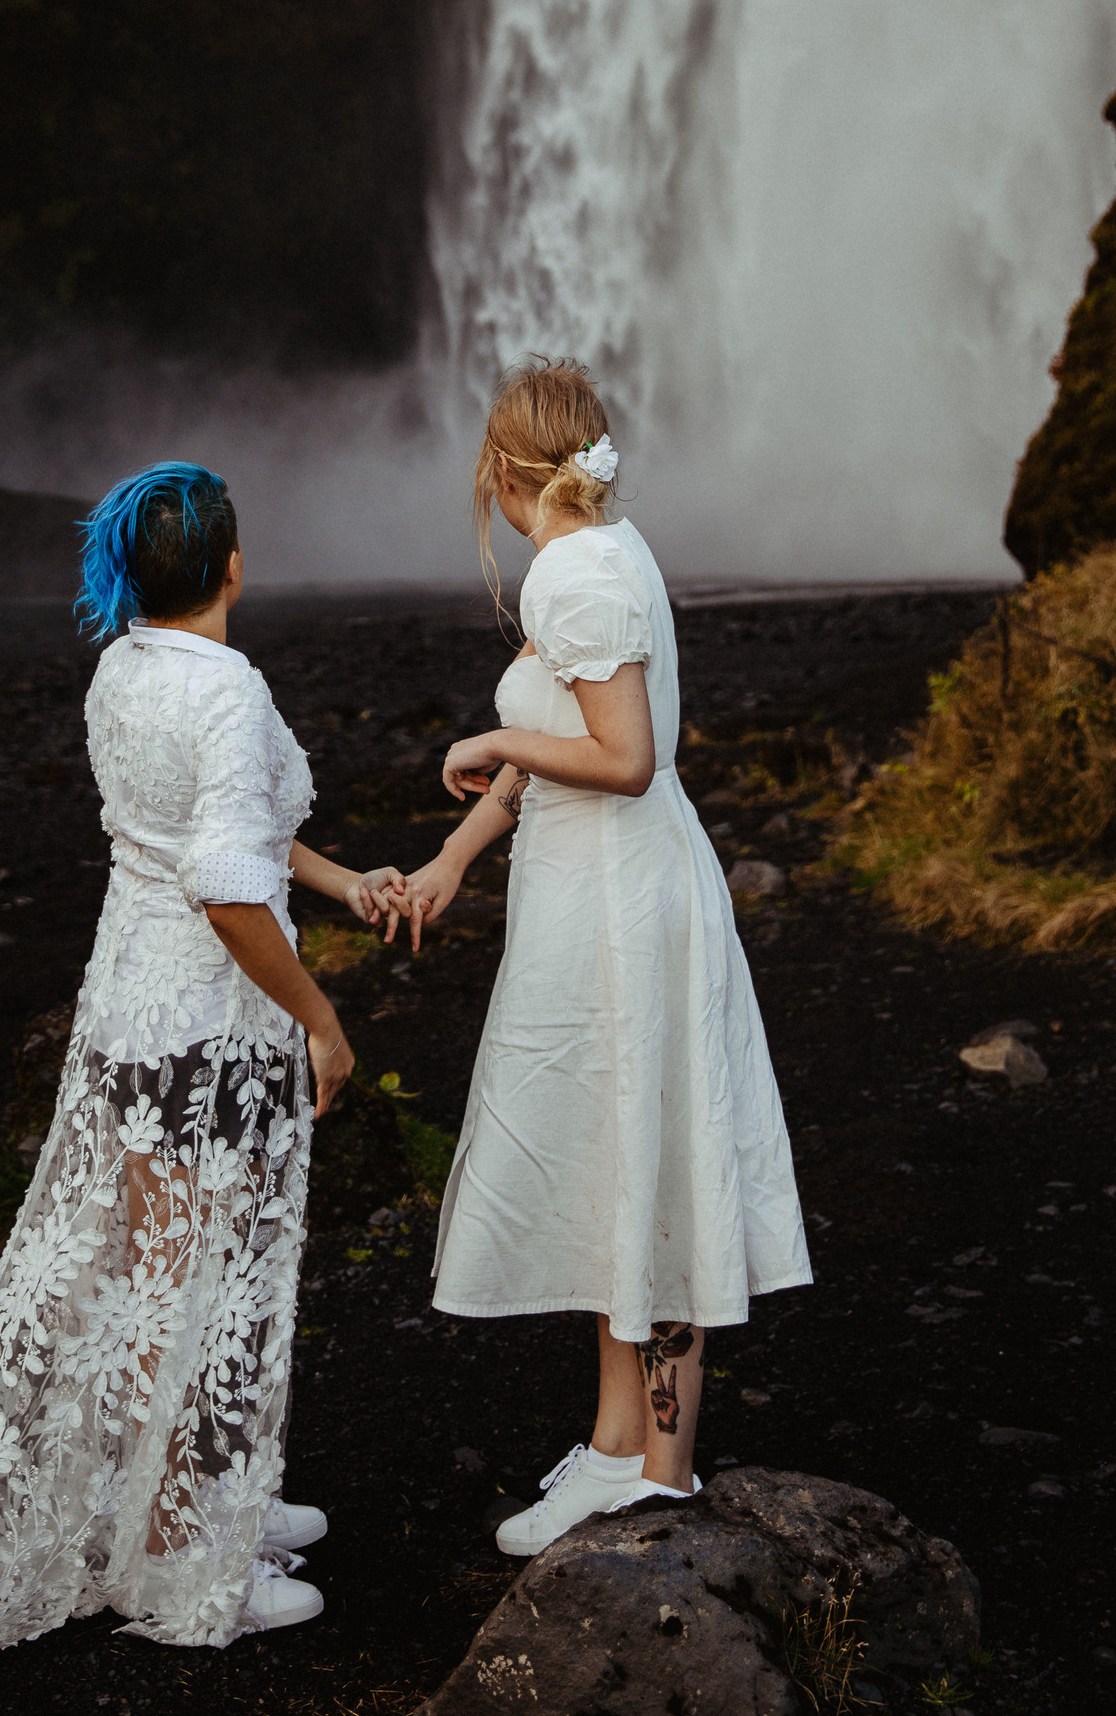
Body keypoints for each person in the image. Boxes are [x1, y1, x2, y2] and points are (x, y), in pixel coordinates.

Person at [0, 461, 405, 1673]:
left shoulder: (126, 665)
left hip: (128, 1009)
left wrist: (342, 878)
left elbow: (219, 834)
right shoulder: (228, 688)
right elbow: (224, 888)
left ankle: (218, 1494)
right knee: (189, 1285)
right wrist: (320, 1014)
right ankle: (177, 1552)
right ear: (231, 567)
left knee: (163, 1269)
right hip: (208, 1022)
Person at [390, 359, 811, 1553]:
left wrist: (488, 730)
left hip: (624, 898)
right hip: (601, 888)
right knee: (619, 1154)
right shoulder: (606, 549)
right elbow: (562, 742)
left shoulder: (572, 570)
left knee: (651, 1149)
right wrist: (458, 857)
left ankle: (661, 1474)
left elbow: (622, 755)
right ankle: (619, 1443)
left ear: (501, 464)